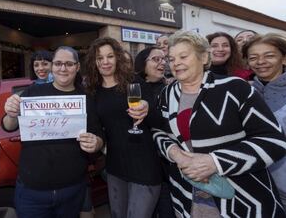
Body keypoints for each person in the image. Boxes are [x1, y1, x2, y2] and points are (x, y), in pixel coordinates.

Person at [152, 31, 286, 217]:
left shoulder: (235, 87)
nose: (176, 63)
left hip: (242, 198)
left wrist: (216, 162)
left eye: (183, 56)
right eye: (171, 58)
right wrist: (174, 153)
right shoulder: (167, 93)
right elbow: (158, 131)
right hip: (187, 197)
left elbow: (274, 141)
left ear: (204, 56)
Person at [2, 46, 104, 218]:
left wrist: (97, 142)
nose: (63, 68)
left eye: (69, 64)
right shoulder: (33, 92)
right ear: (52, 66)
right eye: (58, 63)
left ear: (77, 67)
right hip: (32, 191)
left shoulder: (86, 97)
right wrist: (11, 113)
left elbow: (98, 135)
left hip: (72, 189)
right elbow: (9, 126)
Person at [84, 37, 161, 218]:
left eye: (109, 56)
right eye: (99, 58)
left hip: (145, 164)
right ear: (94, 62)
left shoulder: (134, 82)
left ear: (117, 57)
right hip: (115, 166)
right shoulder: (93, 91)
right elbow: (96, 129)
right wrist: (96, 142)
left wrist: (147, 109)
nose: (105, 61)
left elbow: (159, 121)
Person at [243, 33, 286, 208]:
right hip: (259, 188)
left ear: (284, 59)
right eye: (254, 57)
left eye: (269, 55)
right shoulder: (244, 92)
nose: (261, 62)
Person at [134, 46, 176, 218]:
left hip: (166, 163)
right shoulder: (132, 88)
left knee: (167, 211)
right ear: (142, 64)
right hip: (140, 163)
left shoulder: (171, 89)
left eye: (164, 59)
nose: (162, 63)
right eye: (156, 59)